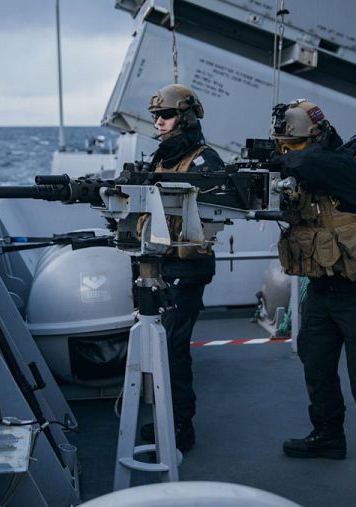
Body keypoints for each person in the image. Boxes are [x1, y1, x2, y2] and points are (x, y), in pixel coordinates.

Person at [270, 99, 356, 496]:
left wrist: (278, 160)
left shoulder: (346, 167)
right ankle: (328, 436)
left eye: (291, 146)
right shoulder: (311, 170)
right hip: (322, 291)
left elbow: (309, 164)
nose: (286, 155)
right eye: (282, 148)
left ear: (316, 137)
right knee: (317, 366)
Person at [138, 83, 224, 452]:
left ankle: (179, 427)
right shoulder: (162, 158)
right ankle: (164, 419)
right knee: (152, 348)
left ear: (186, 118)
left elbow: (212, 210)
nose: (159, 122)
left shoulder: (205, 161)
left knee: (172, 348)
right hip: (155, 265)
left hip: (185, 271)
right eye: (156, 116)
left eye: (167, 115)